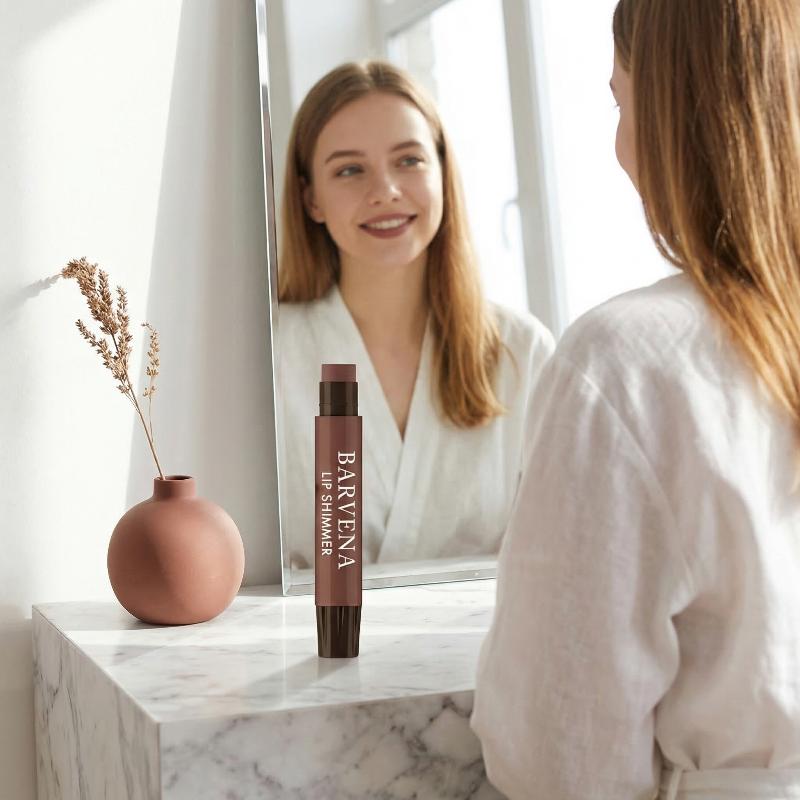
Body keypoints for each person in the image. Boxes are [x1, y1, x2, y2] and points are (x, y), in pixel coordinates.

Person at [472, 0, 800, 797]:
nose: (618, 144)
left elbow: (559, 754)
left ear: (673, 117)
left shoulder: (622, 363)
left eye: (622, 101)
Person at [276, 61, 555, 567]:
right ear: (311, 198)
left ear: (443, 173)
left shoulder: (522, 351)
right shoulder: (269, 355)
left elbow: (562, 552)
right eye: (349, 170)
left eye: (409, 160)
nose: (385, 190)